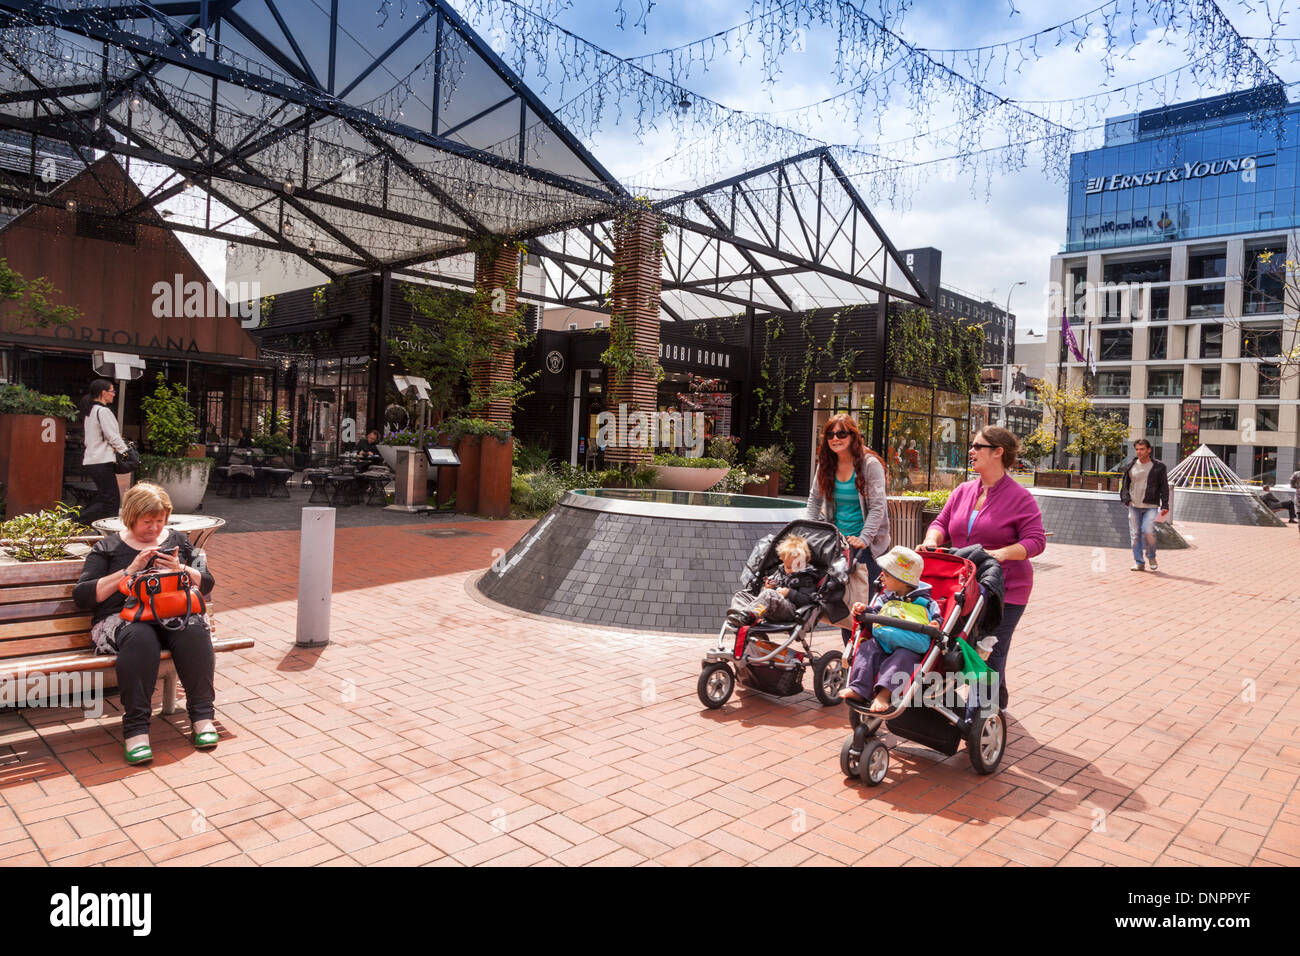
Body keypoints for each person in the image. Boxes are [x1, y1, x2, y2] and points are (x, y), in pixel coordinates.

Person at [73, 483, 217, 765]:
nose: (153, 528)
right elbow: (84, 596)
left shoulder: (177, 540)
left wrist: (181, 569)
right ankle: (136, 730)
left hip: (172, 613)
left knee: (194, 631)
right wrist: (130, 570)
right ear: (130, 517)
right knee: (140, 639)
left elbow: (207, 581)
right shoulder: (108, 547)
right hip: (123, 618)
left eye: (159, 521)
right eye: (146, 521)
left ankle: (203, 717)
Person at [921, 426, 1046, 711]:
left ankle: (982, 716)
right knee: (958, 647)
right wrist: (931, 540)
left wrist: (1000, 554)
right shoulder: (964, 490)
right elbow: (941, 523)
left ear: (998, 452)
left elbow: (1036, 541)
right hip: (963, 587)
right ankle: (994, 698)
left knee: (990, 650)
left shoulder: (1020, 497)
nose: (971, 451)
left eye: (978, 446)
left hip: (1006, 589)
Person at [805, 414, 890, 643]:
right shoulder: (826, 464)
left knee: (866, 608)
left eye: (842, 433)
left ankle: (869, 660)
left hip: (867, 549)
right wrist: (809, 533)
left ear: (853, 436)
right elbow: (814, 500)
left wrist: (864, 538)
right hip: (839, 545)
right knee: (844, 607)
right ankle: (850, 661)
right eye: (831, 434)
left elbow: (877, 507)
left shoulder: (869, 464)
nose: (836, 438)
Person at [840, 546, 941, 712]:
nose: (882, 579)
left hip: (910, 645)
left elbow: (937, 617)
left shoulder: (926, 601)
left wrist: (935, 624)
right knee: (867, 648)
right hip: (884, 640)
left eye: (886, 575)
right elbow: (874, 613)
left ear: (903, 580)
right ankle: (858, 688)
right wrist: (863, 610)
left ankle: (884, 695)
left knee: (902, 658)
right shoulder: (885, 598)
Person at [727, 533, 819, 626]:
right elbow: (765, 596)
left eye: (794, 566)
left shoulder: (806, 578)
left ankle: (748, 616)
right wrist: (767, 587)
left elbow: (808, 600)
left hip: (791, 610)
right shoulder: (781, 572)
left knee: (769, 594)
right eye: (787, 566)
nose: (789, 570)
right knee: (741, 594)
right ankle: (739, 614)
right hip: (769, 606)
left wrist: (789, 592)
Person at [79, 378, 129, 526]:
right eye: (112, 391)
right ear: (103, 393)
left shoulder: (91, 411)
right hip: (101, 461)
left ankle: (83, 522)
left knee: (105, 497)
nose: (114, 394)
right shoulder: (103, 411)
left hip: (93, 460)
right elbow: (113, 436)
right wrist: (125, 452)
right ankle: (80, 521)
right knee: (111, 500)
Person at [1118, 438, 1171, 571]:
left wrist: (1165, 505)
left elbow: (1164, 487)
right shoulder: (1131, 465)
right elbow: (1125, 485)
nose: (1139, 452)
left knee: (1148, 531)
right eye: (1137, 449)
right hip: (1134, 505)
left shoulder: (1159, 466)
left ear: (1149, 450)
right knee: (1135, 535)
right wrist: (1126, 499)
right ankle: (1139, 562)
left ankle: (1151, 556)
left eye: (1142, 449)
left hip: (1151, 506)